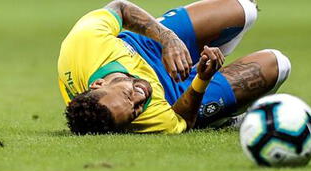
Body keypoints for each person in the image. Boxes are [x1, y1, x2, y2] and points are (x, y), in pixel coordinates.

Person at [58, 0, 291, 134]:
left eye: (127, 95)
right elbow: (183, 121)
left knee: (243, 8)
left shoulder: (83, 44)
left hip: (147, 47)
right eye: (135, 110)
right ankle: (220, 116)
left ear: (98, 83)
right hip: (175, 94)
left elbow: (120, 7)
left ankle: (199, 48)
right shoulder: (151, 118)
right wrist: (202, 78)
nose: (139, 98)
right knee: (278, 64)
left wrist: (168, 38)